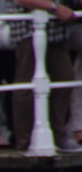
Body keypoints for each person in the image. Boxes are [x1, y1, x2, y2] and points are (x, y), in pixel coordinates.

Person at [6, 0, 79, 153]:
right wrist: (55, 8)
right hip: (28, 29)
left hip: (55, 31)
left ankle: (58, 137)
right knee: (27, 84)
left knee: (64, 80)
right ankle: (25, 141)